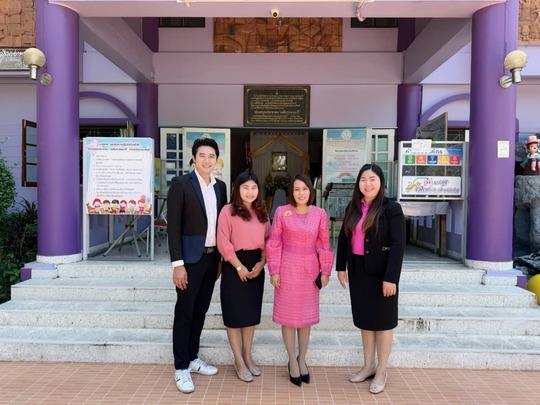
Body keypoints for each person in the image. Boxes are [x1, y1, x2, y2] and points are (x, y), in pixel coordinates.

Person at [336, 164, 405, 395]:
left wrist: (391, 278)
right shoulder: (354, 207)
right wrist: (341, 267)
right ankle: (368, 366)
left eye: (372, 179)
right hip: (358, 272)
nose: (368, 184)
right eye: (363, 179)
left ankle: (382, 370)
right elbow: (344, 237)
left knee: (383, 322)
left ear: (381, 182)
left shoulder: (391, 208)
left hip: (382, 274)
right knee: (365, 321)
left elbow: (398, 245)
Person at [167, 137, 227, 394]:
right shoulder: (180, 184)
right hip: (189, 261)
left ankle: (192, 357)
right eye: (202, 155)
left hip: (212, 259)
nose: (207, 160)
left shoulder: (220, 187)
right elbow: (173, 227)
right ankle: (181, 367)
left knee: (201, 310)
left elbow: (222, 226)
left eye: (211, 156)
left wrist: (221, 259)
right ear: (193, 158)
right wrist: (177, 264)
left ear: (216, 160)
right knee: (185, 312)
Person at [266, 173, 334, 387]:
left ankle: (302, 358)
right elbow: (274, 242)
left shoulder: (319, 213)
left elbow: (324, 244)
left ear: (310, 191)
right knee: (288, 318)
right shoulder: (281, 212)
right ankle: (291, 360)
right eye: (297, 189)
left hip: (310, 270)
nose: (301, 193)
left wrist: (325, 271)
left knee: (305, 318)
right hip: (287, 268)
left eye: (304, 189)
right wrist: (274, 270)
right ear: (291, 192)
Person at [217, 171, 271, 383]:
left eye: (254, 187)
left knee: (250, 315)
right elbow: (223, 241)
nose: (250, 192)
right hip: (234, 265)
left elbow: (269, 238)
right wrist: (238, 266)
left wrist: (263, 262)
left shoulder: (261, 211)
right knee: (234, 316)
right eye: (245, 187)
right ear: (236, 189)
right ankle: (238, 360)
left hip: (256, 264)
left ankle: (247, 356)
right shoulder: (227, 211)